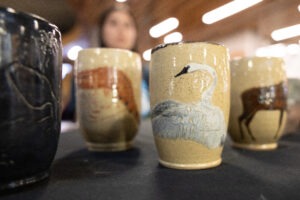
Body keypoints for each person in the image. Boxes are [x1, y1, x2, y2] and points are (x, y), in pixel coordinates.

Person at [97, 5, 150, 117]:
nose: (121, 30)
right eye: (113, 23)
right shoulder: (86, 71)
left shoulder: (147, 73)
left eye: (127, 25)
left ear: (136, 33)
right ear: (101, 30)